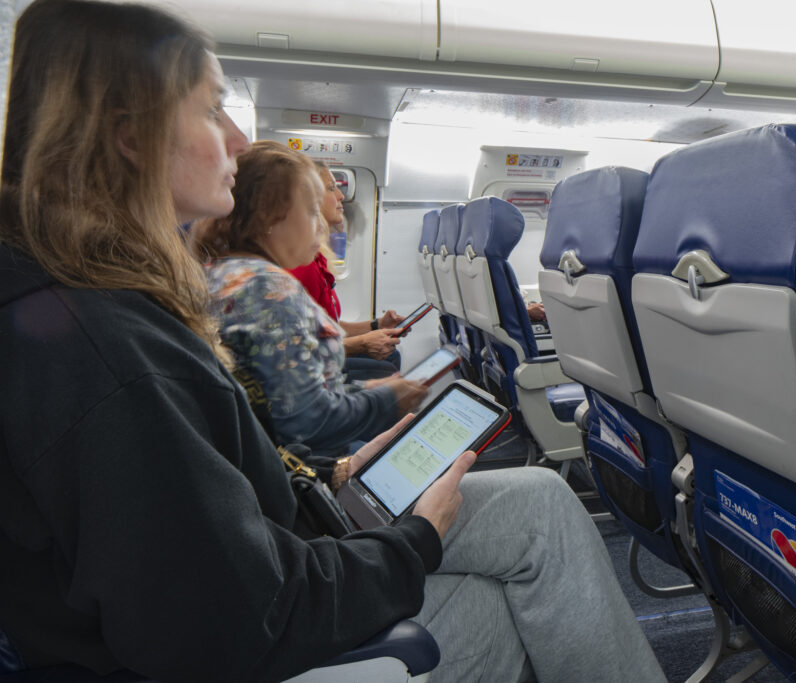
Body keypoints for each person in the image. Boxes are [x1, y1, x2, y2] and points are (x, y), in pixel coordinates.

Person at [0, 2, 669, 682]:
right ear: (129, 138)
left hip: (281, 547)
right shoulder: (106, 356)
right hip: (251, 632)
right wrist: (416, 540)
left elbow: (207, 491)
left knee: (539, 506)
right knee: (508, 592)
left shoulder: (108, 304)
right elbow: (233, 615)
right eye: (210, 110)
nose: (237, 138)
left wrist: (328, 477)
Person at [193, 141, 428, 455]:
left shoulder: (223, 270)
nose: (320, 225)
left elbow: (283, 388)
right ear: (271, 216)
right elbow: (306, 424)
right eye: (311, 209)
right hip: (294, 460)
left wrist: (363, 389)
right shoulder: (268, 290)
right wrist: (385, 401)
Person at [290, 161, 403, 379]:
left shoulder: (316, 258)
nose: (341, 196)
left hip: (320, 355)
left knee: (390, 356)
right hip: (311, 369)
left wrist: (376, 325)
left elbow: (326, 326)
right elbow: (303, 345)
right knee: (387, 368)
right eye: (331, 188)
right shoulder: (301, 265)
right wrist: (362, 343)